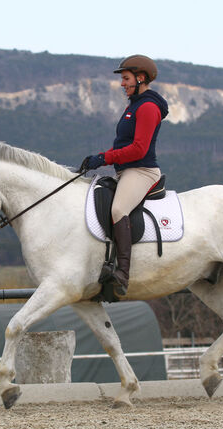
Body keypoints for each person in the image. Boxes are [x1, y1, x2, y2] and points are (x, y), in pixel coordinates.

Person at [81, 54, 169, 296]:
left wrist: (105, 158)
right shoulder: (135, 105)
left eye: (126, 78)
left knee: (119, 209)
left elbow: (139, 148)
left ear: (141, 78)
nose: (122, 83)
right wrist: (101, 159)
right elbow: (125, 145)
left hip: (142, 171)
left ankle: (122, 274)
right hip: (127, 171)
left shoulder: (149, 107)